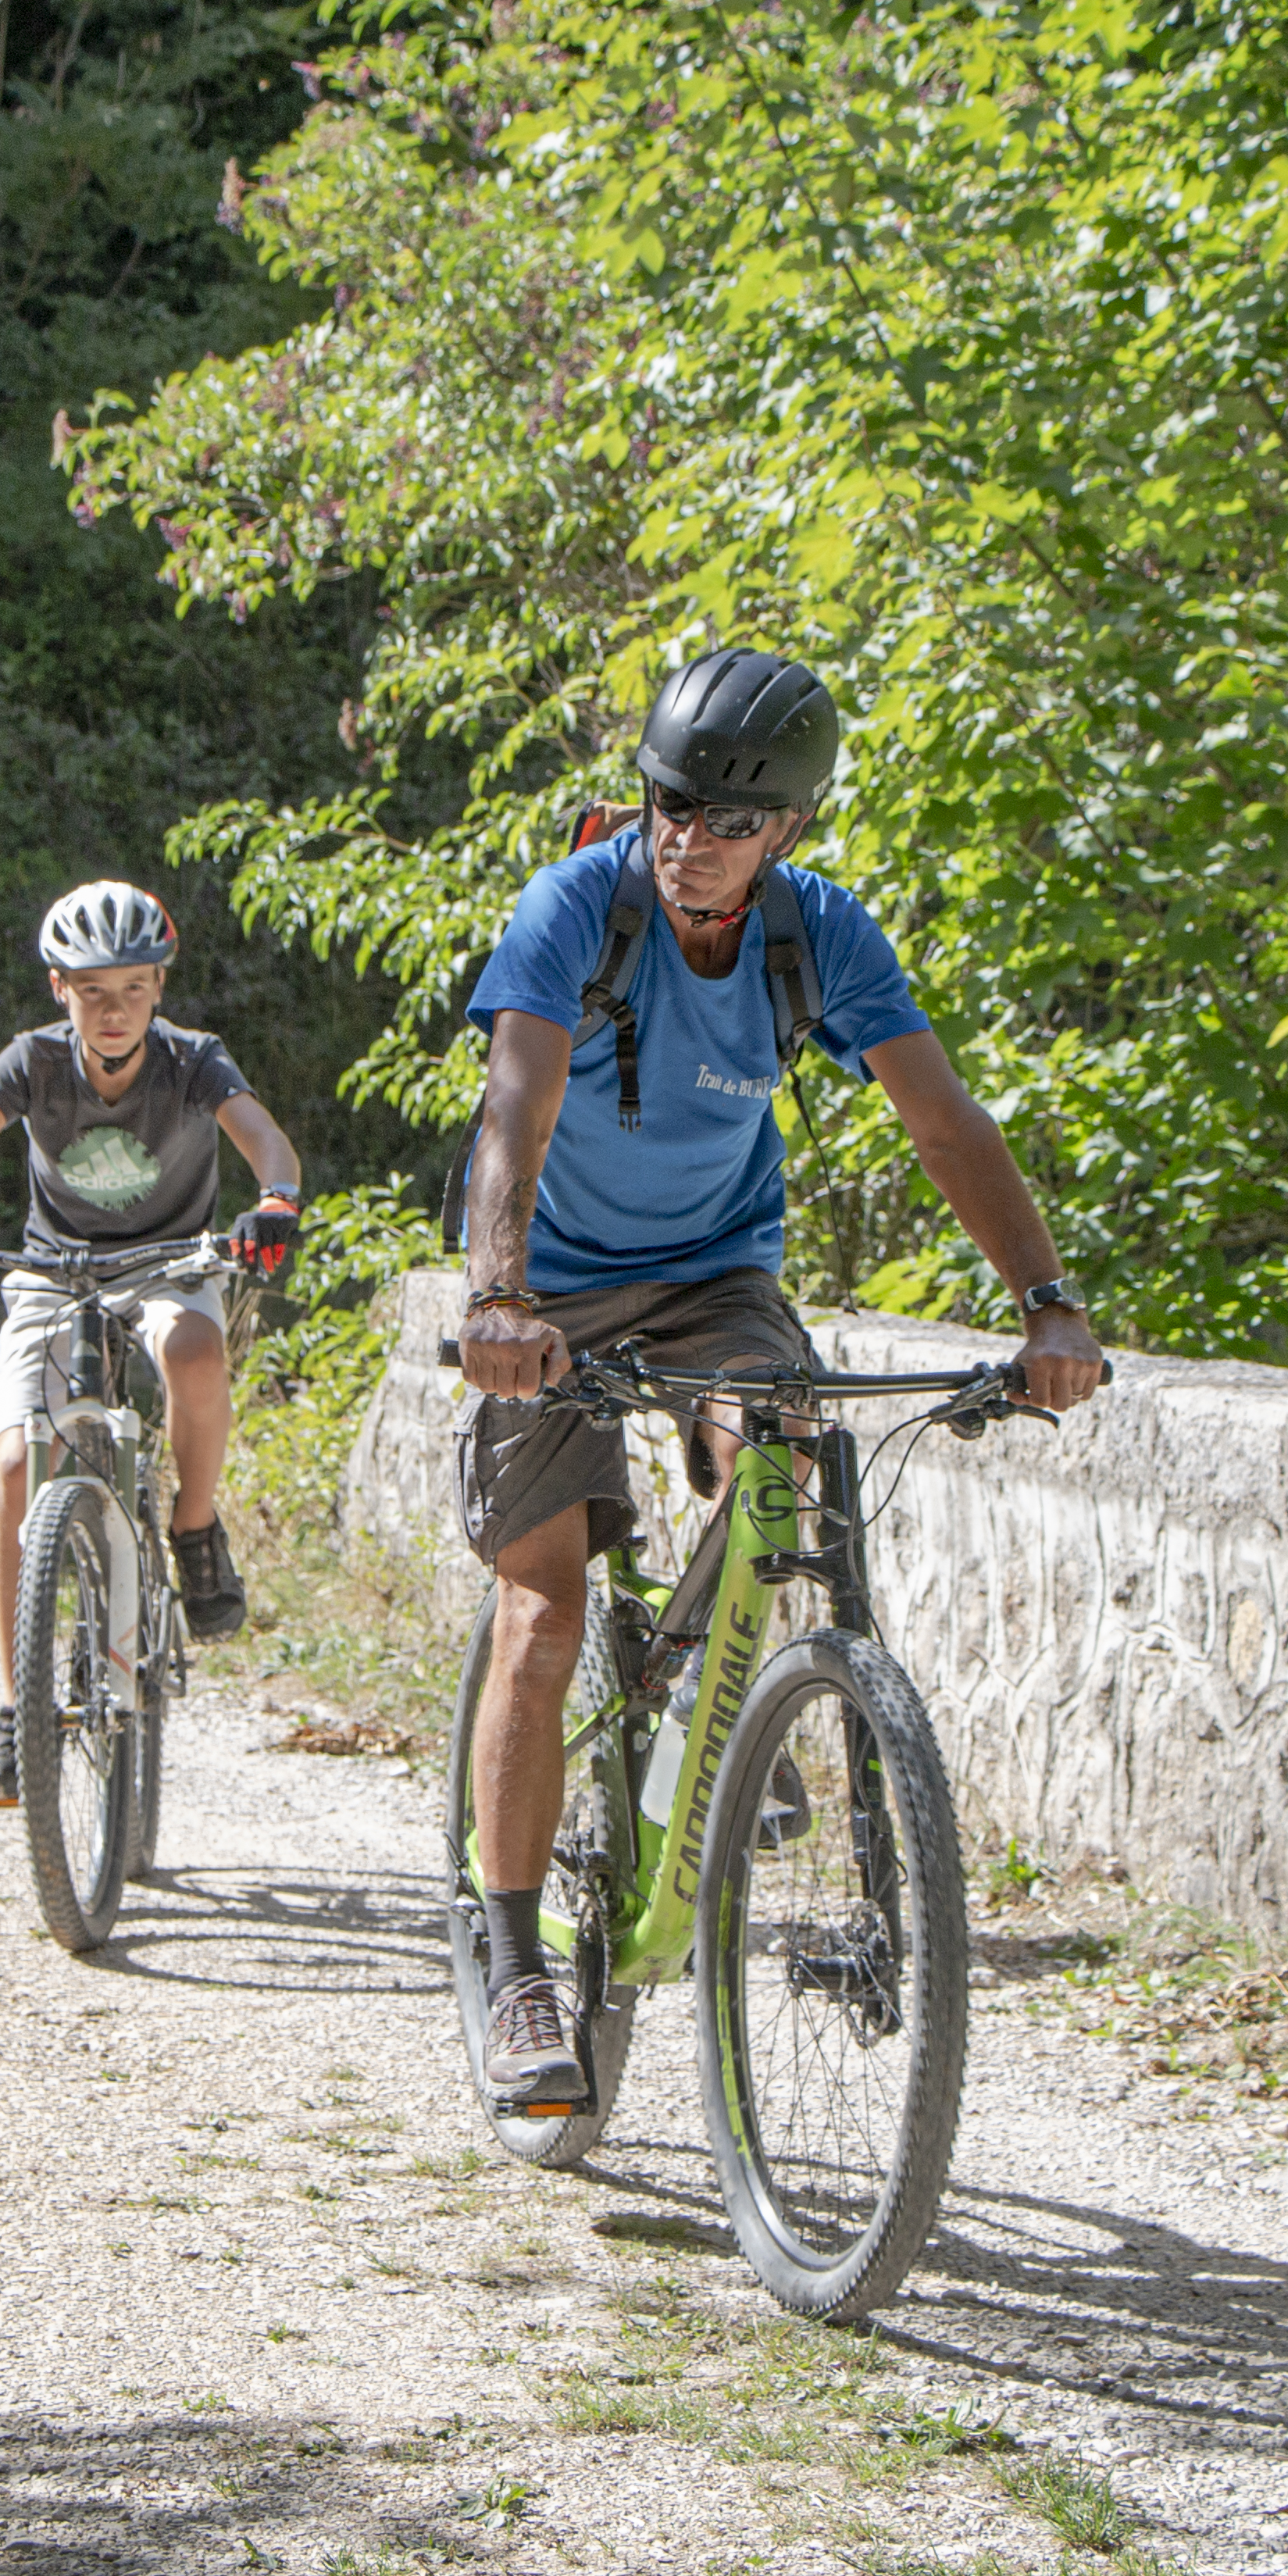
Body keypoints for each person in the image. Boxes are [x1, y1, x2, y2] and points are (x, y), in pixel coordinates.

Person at [449, 647, 1111, 2107]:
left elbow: (942, 1122)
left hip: (716, 1272)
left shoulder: (820, 936)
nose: (690, 837)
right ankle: (511, 1970)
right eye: (672, 801)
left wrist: (1047, 1304)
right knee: (544, 1610)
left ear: (791, 830)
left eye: (731, 820)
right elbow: (516, 1101)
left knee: (781, 1439)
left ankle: (721, 1702)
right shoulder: (580, 905)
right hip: (546, 1282)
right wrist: (496, 1296)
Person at [0, 880, 305, 1805]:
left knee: (193, 1350)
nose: (114, 1011)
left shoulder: (194, 1061)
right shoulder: (33, 1063)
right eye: (93, 991)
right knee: (18, 1465)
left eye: (134, 990)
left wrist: (274, 1201)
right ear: (59, 988)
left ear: (159, 986)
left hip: (170, 1263)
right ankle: (20, 1712)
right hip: (53, 1271)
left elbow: (265, 1137)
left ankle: (192, 1530)